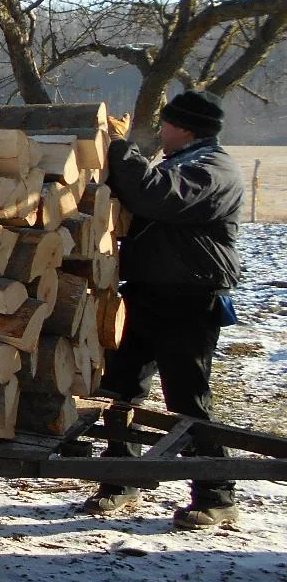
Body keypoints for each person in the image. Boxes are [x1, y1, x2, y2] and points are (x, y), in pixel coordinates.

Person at [80, 90, 245, 528]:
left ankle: (216, 495)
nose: (161, 130)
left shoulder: (213, 169)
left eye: (167, 123)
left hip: (190, 299)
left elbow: (156, 196)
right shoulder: (184, 162)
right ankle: (121, 481)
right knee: (120, 389)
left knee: (188, 398)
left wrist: (120, 149)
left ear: (186, 128)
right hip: (148, 293)